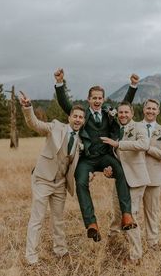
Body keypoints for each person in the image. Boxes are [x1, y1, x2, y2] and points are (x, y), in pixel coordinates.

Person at [54, 68, 139, 242]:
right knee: (81, 182)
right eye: (94, 98)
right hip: (87, 160)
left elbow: (125, 106)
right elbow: (65, 105)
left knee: (121, 172)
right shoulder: (82, 115)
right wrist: (60, 83)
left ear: (103, 99)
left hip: (105, 157)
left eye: (100, 98)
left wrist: (133, 86)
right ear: (89, 99)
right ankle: (91, 224)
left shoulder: (109, 113)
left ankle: (126, 215)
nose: (97, 101)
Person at [20, 91, 85, 265]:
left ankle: (60, 250)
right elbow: (34, 124)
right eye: (75, 116)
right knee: (37, 219)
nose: (78, 119)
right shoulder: (56, 127)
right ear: (69, 117)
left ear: (83, 121)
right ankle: (31, 256)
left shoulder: (80, 141)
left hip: (61, 184)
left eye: (81, 117)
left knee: (58, 219)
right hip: (42, 179)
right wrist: (28, 108)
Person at [100, 101, 150, 264]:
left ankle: (136, 256)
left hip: (136, 179)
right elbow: (114, 157)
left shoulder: (139, 127)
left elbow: (144, 144)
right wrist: (109, 172)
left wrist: (119, 144)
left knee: (131, 214)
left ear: (132, 114)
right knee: (117, 212)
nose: (123, 115)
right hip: (120, 180)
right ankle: (114, 241)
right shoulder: (115, 130)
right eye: (120, 112)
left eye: (126, 112)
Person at [140, 98, 161, 250]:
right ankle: (132, 242)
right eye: (148, 108)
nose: (151, 111)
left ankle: (152, 242)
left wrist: (148, 149)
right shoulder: (134, 127)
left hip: (153, 178)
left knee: (152, 212)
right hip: (135, 177)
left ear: (158, 111)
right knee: (130, 211)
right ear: (143, 109)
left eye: (154, 109)